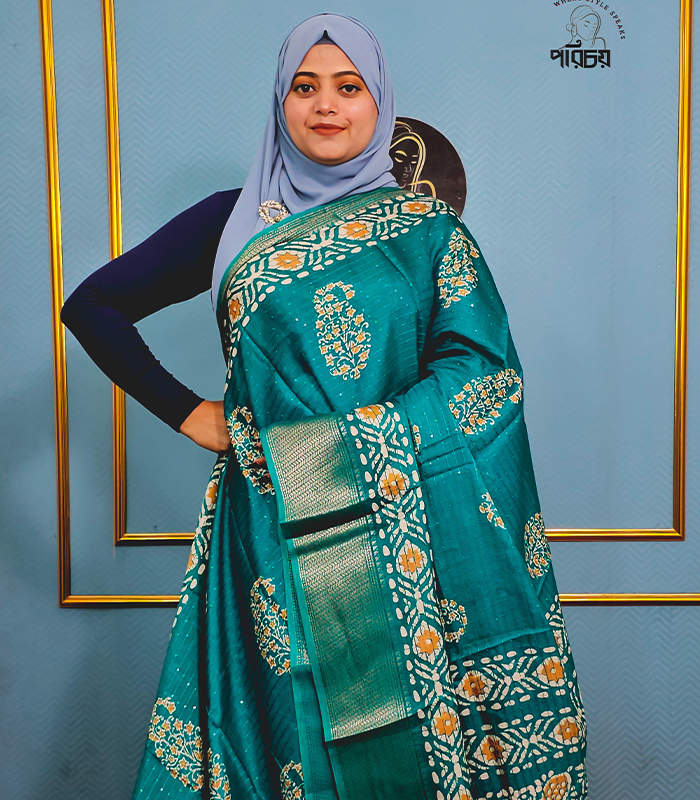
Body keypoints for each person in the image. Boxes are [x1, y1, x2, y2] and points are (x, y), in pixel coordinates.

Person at [61, 13, 588, 800]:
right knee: (290, 733)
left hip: (413, 532)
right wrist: (189, 413)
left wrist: (343, 447)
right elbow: (93, 306)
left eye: (349, 87)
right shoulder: (231, 223)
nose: (326, 105)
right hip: (274, 526)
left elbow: (484, 377)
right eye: (304, 88)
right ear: (280, 102)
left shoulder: (429, 233)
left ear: (380, 103)